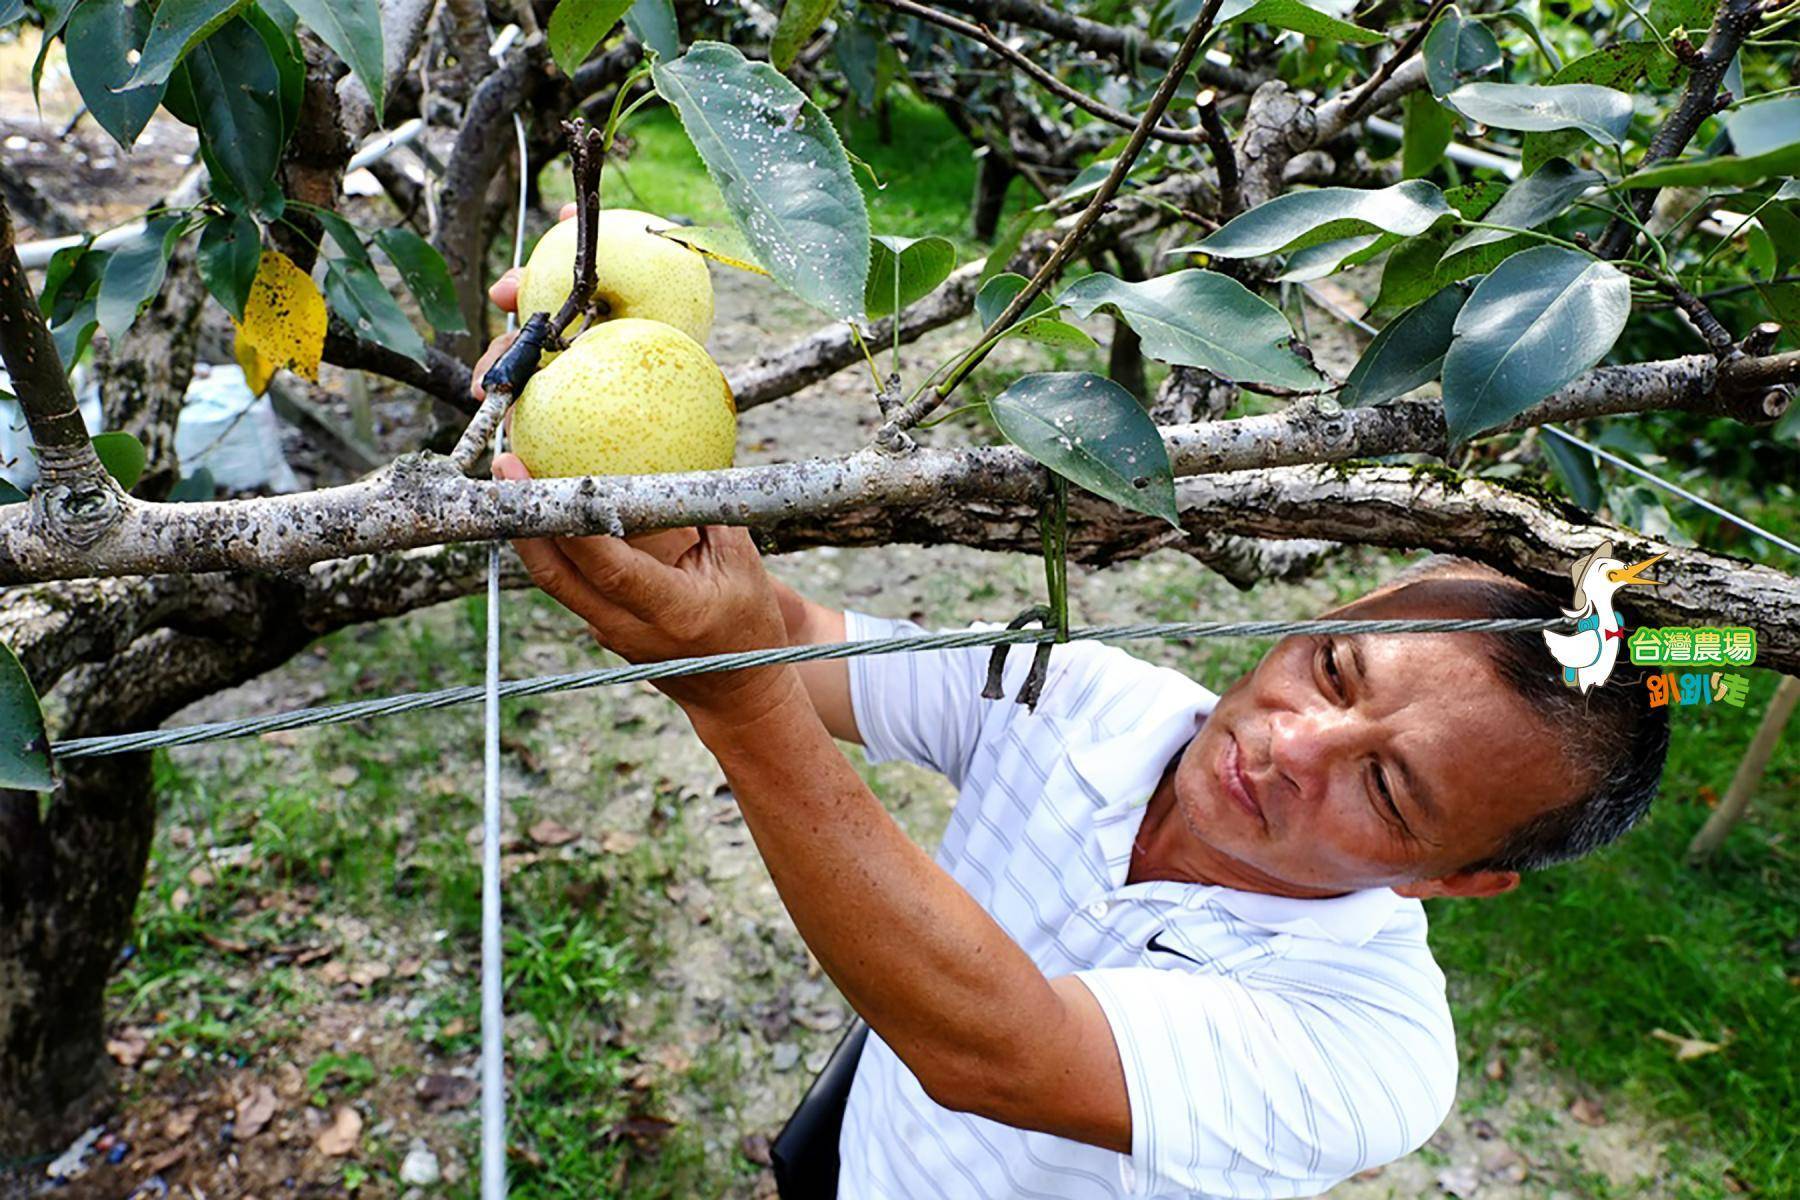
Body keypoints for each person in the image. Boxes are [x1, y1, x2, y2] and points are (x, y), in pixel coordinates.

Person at [473, 290, 1668, 1198]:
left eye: (1386, 788)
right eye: (1333, 667)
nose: (1293, 742)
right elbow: (785, 635)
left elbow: (996, 1051)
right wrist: (617, 408)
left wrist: (738, 700)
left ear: (1458, 877)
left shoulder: (1375, 1048)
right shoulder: (1082, 696)